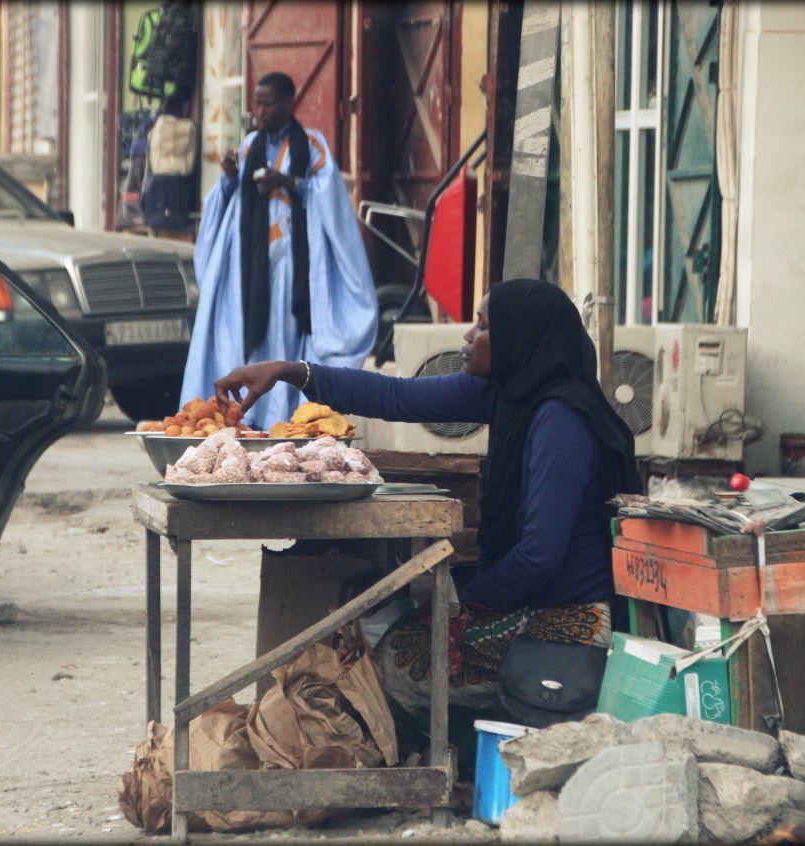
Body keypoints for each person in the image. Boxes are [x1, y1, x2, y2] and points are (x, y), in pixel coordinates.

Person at [214, 279, 642, 716]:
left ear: (520, 339)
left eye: (483, 326)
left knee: (391, 666)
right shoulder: (509, 394)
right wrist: (290, 372)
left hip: (567, 622)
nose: (468, 336)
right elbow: (396, 396)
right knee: (385, 637)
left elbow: (540, 555)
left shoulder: (560, 422)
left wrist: (465, 605)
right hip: (528, 599)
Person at [182, 71, 378, 428]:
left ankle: (283, 416)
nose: (259, 110)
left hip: (291, 263)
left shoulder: (313, 145)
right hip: (251, 264)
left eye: (267, 102)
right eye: (256, 102)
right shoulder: (248, 144)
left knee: (285, 338)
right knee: (251, 336)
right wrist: (228, 177)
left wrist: (286, 181)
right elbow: (228, 201)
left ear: (289, 102)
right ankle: (249, 417)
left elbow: (329, 197)